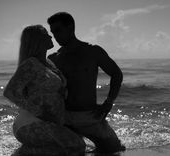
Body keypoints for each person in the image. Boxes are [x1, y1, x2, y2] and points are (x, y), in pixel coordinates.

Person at [47, 12, 125, 153]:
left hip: (90, 117)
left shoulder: (92, 52)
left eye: (58, 30)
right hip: (64, 119)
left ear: (70, 27)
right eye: (53, 32)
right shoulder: (54, 58)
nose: (56, 36)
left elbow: (116, 74)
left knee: (115, 149)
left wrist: (108, 102)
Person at [3, 25, 86, 155]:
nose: (50, 36)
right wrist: (40, 112)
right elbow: (10, 92)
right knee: (77, 145)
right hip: (30, 122)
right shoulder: (30, 64)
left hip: (49, 122)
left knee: (74, 146)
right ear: (37, 40)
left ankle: (26, 152)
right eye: (46, 34)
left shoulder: (48, 63)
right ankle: (23, 153)